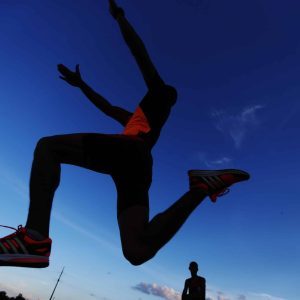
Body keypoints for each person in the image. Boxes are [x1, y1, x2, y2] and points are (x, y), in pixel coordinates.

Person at [0, 0, 250, 268]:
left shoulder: (158, 94)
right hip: (138, 169)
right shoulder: (136, 119)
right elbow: (105, 106)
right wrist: (81, 84)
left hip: (131, 151)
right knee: (136, 249)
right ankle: (200, 188)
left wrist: (120, 17)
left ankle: (35, 237)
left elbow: (139, 53)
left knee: (48, 148)